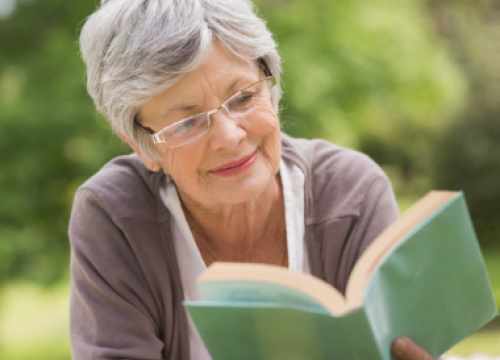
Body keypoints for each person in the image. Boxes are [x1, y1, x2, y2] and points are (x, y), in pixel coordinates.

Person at [70, 0, 437, 359]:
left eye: (244, 98)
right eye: (187, 123)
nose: (229, 137)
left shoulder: (351, 190)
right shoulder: (113, 216)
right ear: (144, 148)